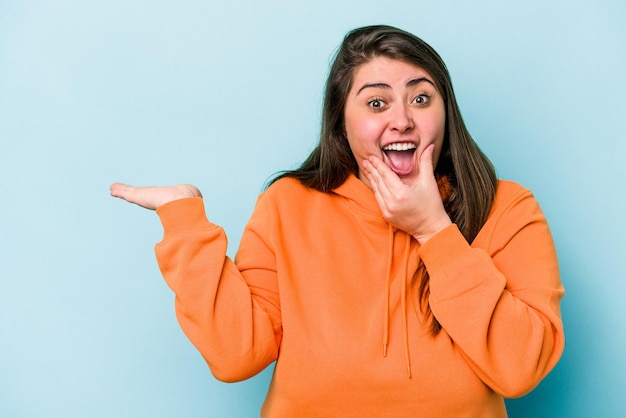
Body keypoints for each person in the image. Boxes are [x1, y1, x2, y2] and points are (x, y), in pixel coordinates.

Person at [111, 25, 564, 417]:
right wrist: (186, 225)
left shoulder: (507, 207)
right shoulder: (287, 205)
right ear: (340, 122)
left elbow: (520, 369)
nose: (402, 120)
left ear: (445, 113)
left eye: (421, 98)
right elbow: (236, 356)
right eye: (376, 104)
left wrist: (434, 231)